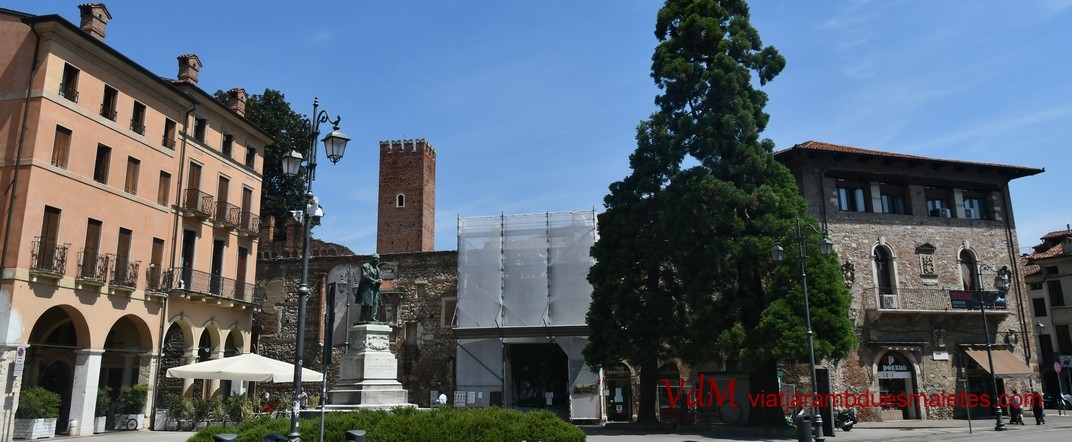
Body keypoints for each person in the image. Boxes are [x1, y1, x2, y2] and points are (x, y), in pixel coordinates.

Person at [356, 253, 382, 322]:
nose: (377, 260)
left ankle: (373, 317)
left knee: (375, 302)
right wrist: (375, 281)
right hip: (366, 287)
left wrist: (379, 280)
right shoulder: (365, 266)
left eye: (378, 259)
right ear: (372, 259)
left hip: (375, 288)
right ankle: (362, 318)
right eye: (376, 258)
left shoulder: (378, 269)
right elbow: (365, 276)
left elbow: (379, 277)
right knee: (366, 304)